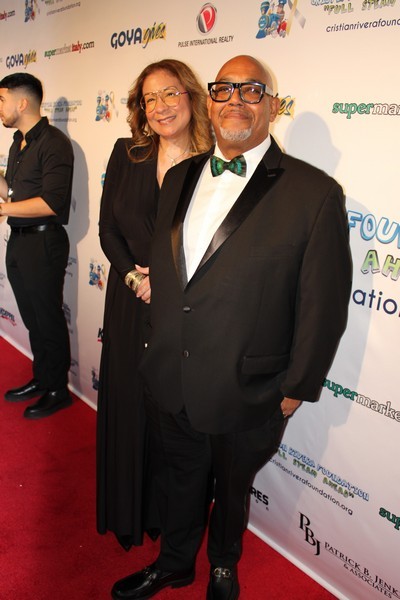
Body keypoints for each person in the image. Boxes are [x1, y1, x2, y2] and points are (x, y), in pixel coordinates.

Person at [111, 55, 353, 600]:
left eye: (251, 90)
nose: (235, 101)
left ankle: (224, 564)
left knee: (233, 486)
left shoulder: (315, 193)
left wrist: (297, 386)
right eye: (224, 90)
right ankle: (175, 563)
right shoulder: (179, 177)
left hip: (251, 386)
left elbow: (324, 303)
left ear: (273, 104)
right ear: (210, 101)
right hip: (171, 375)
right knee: (180, 478)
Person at [96, 59, 213, 552]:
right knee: (128, 404)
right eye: (150, 99)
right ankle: (130, 510)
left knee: (171, 416)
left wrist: (164, 284)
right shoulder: (127, 153)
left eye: (169, 94)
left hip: (183, 307)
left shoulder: (214, 161)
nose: (161, 107)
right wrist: (133, 277)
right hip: (129, 299)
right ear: (140, 109)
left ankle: (168, 516)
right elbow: (108, 228)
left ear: (190, 96)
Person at [0, 73, 74, 419]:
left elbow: (52, 202)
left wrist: (4, 209)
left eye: (2, 101)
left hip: (44, 243)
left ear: (22, 102)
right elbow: (12, 194)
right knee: (34, 320)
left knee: (48, 320)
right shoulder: (18, 142)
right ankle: (43, 378)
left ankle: (58, 390)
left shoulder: (54, 143)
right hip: (19, 241)